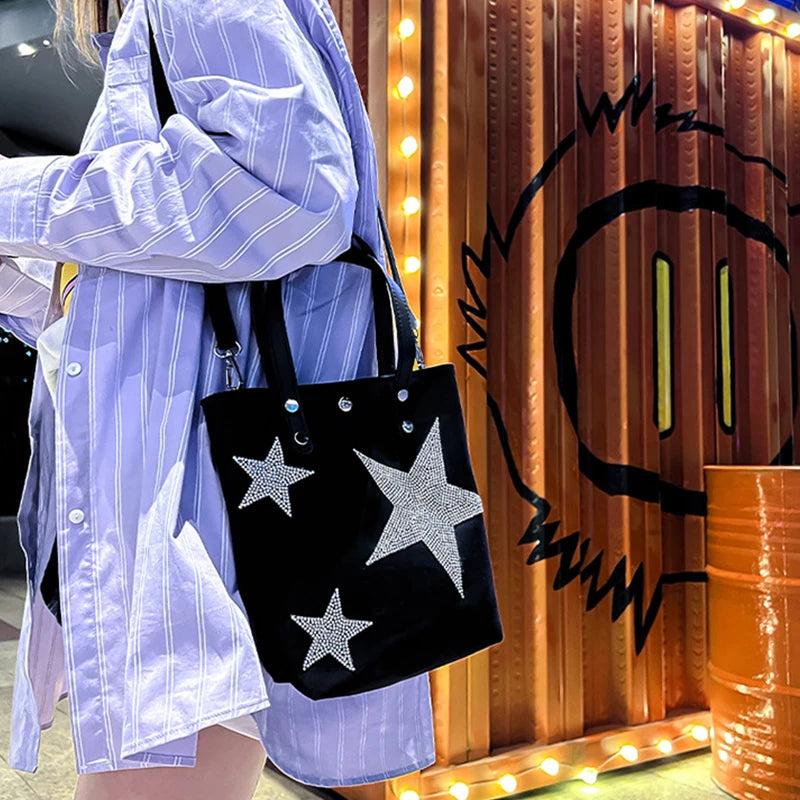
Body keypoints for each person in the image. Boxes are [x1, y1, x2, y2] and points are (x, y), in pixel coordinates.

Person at [0, 0, 435, 798]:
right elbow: (150, 300)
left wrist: (11, 199)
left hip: (197, 519)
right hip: (205, 512)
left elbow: (294, 193)